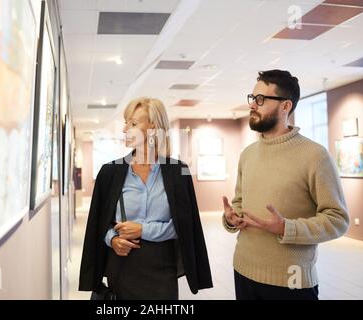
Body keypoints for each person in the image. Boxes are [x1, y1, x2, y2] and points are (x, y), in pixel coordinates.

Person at [222, 70, 349, 300]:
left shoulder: (315, 156)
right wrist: (232, 218)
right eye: (252, 98)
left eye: (261, 99)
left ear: (285, 106)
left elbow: (337, 220)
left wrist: (285, 228)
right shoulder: (247, 154)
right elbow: (240, 202)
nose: (253, 105)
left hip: (291, 279)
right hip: (243, 270)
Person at [79, 97, 213, 300]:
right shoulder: (110, 172)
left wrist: (143, 229)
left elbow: (186, 226)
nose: (125, 129)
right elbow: (98, 224)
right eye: (126, 123)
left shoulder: (179, 172)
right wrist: (112, 239)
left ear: (154, 127)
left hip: (162, 271)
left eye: (133, 123)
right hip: (122, 268)